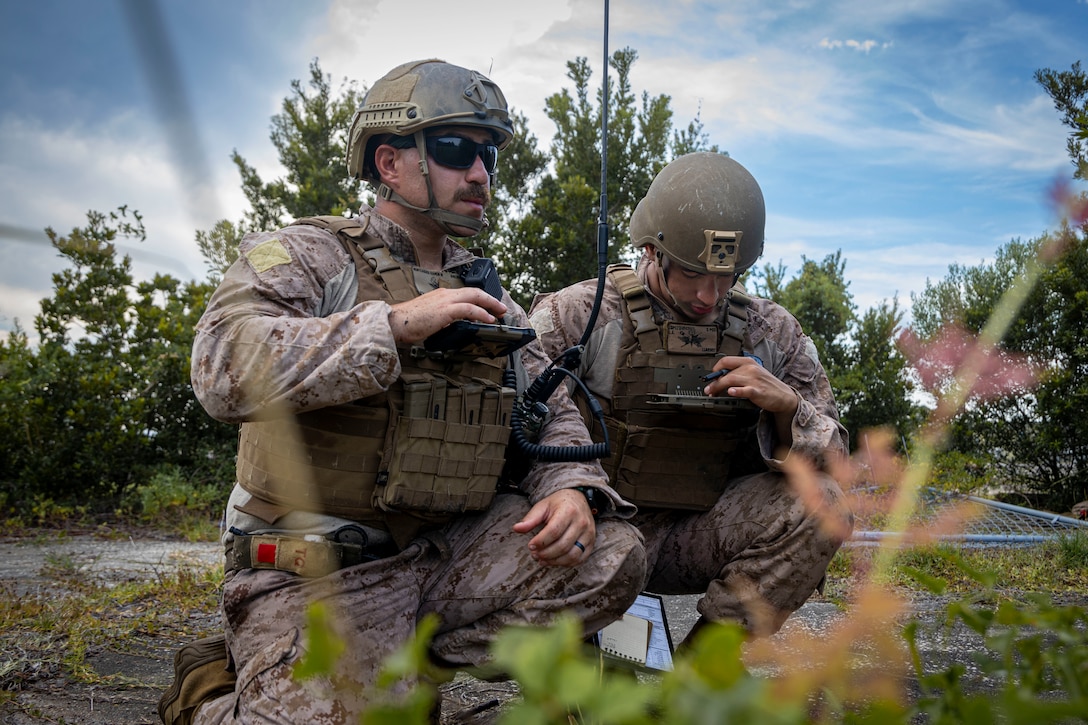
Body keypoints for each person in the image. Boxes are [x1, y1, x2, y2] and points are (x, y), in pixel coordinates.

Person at [159, 59, 645, 725]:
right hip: (321, 567)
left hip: (443, 554)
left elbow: (549, 407)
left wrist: (568, 487)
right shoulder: (310, 254)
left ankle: (390, 674)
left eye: (489, 156)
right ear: (389, 162)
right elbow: (219, 367)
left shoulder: (485, 291)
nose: (480, 174)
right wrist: (389, 327)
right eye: (456, 150)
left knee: (610, 556)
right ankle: (211, 694)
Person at [529, 152, 853, 641]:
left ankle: (704, 669)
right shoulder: (581, 315)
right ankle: (579, 653)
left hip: (701, 533)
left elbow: (836, 462)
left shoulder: (772, 333)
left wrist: (788, 409)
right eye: (692, 273)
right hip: (595, 532)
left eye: (727, 276)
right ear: (651, 250)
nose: (709, 294)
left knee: (822, 504)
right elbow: (515, 432)